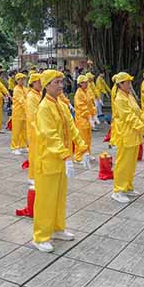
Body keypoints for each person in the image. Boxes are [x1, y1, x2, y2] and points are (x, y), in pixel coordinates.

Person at [33, 70, 87, 253]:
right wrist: (65, 154)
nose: (61, 86)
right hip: (49, 161)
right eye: (57, 82)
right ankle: (40, 236)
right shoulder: (44, 108)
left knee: (59, 197)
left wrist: (82, 147)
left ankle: (57, 228)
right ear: (47, 85)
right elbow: (50, 136)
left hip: (62, 160)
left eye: (61, 82)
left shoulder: (61, 105)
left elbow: (71, 128)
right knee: (45, 200)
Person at [112, 72, 144, 203]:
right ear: (120, 84)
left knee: (131, 164)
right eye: (127, 82)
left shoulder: (129, 96)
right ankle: (117, 190)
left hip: (134, 135)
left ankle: (127, 186)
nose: (129, 84)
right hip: (125, 135)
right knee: (123, 164)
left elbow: (139, 113)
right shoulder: (120, 99)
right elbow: (129, 118)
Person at [73, 75, 95, 168]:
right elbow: (82, 107)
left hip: (87, 118)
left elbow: (90, 104)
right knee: (81, 139)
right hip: (82, 119)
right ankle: (78, 157)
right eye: (83, 82)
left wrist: (94, 114)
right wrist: (89, 116)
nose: (85, 84)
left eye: (86, 82)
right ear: (79, 84)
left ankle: (87, 153)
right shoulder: (79, 94)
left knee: (88, 138)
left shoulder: (86, 92)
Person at [25, 73, 42, 186]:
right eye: (39, 82)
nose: (41, 84)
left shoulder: (39, 94)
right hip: (34, 129)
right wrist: (38, 129)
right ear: (33, 83)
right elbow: (33, 116)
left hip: (40, 128)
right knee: (34, 153)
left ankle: (38, 174)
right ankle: (32, 176)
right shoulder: (31, 96)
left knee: (39, 154)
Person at [10, 73, 28, 155]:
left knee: (24, 130)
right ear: (17, 81)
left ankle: (23, 145)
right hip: (18, 113)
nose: (22, 81)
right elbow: (22, 101)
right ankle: (14, 147)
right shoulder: (16, 89)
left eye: (23, 79)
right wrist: (28, 108)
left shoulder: (25, 88)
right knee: (16, 131)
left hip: (24, 113)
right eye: (20, 79)